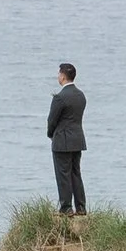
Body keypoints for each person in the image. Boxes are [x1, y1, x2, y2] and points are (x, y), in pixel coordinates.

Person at [47, 62, 88, 216]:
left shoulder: (60, 97)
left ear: (63, 76)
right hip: (77, 139)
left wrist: (51, 134)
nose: (58, 76)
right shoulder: (80, 95)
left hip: (62, 141)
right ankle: (81, 207)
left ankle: (66, 207)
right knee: (76, 173)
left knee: (63, 174)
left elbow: (52, 121)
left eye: (59, 73)